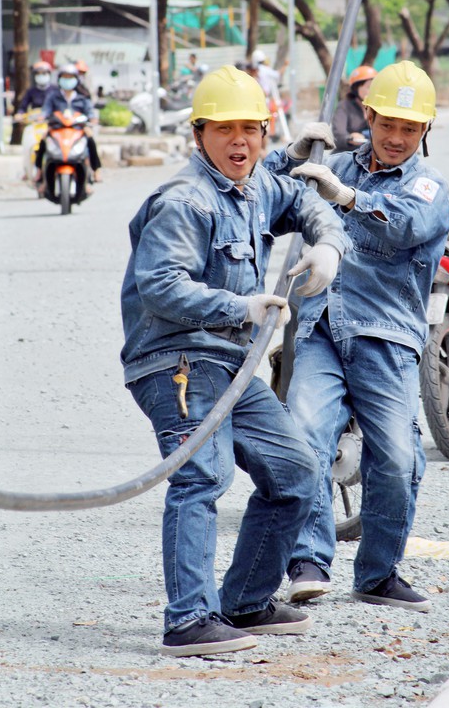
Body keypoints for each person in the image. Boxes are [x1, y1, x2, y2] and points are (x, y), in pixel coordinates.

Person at [120, 65, 351, 658]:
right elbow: (159, 285)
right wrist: (240, 306)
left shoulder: (252, 187)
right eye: (225, 129)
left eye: (252, 128)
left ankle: (246, 600)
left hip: (232, 363)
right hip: (175, 359)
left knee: (297, 471)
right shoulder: (185, 202)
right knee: (203, 476)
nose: (240, 141)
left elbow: (303, 200)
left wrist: (328, 243)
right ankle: (188, 621)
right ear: (199, 134)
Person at [264, 60, 449, 612]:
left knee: (396, 459)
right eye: (386, 123)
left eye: (409, 128)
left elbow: (403, 224)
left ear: (425, 131)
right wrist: (291, 157)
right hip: (320, 328)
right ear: (367, 115)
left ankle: (377, 574)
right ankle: (307, 560)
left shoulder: (428, 184)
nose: (395, 138)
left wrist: (346, 197)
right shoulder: (332, 163)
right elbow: (263, 202)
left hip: (386, 337)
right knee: (304, 437)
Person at [35, 63, 102, 188]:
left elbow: (90, 113)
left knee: (90, 139)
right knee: (43, 140)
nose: (67, 80)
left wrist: (92, 119)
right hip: (58, 129)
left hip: (77, 129)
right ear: (60, 79)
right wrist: (42, 116)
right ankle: (39, 171)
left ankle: (95, 170)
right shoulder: (53, 96)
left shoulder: (82, 98)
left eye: (70, 77)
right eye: (65, 77)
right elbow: (46, 110)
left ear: (76, 80)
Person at [331, 65, 377, 153]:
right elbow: (338, 134)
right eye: (368, 87)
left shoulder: (378, 108)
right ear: (356, 88)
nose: (372, 91)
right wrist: (349, 138)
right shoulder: (344, 106)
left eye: (375, 88)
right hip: (347, 155)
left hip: (371, 155)